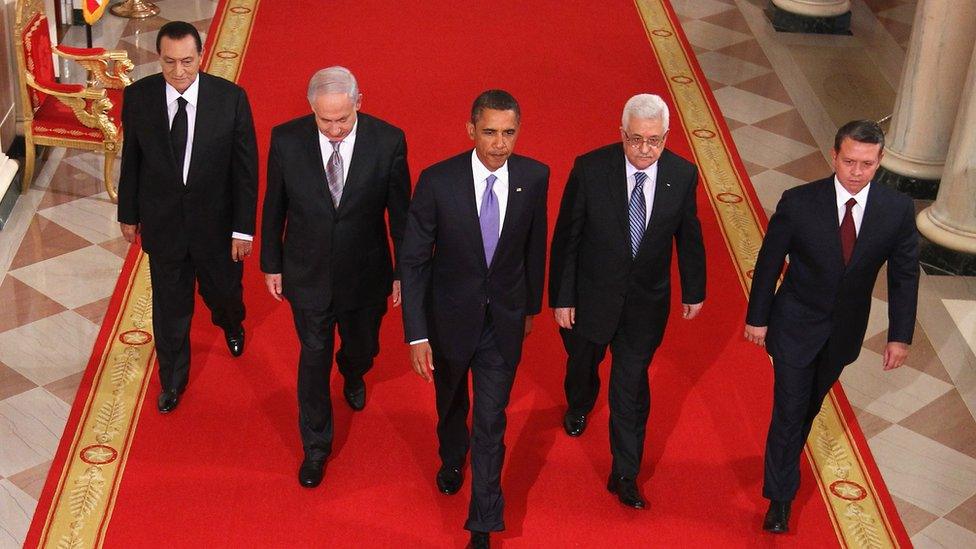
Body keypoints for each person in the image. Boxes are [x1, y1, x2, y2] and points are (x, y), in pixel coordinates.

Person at [744, 119, 920, 533]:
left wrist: (899, 336)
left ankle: (782, 464)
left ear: (880, 162)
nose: (857, 172)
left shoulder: (895, 211)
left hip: (842, 333)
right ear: (834, 155)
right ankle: (780, 499)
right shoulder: (799, 202)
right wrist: (757, 318)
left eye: (867, 164)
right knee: (789, 411)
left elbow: (904, 275)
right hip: (793, 324)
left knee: (807, 406)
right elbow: (769, 263)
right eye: (849, 161)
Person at [400, 90, 548, 549]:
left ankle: (482, 523)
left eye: (508, 133)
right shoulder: (437, 181)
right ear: (470, 131)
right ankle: (450, 456)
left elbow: (534, 246)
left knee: (490, 420)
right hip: (448, 322)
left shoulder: (534, 176)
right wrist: (416, 334)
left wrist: (528, 310)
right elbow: (414, 261)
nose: (500, 143)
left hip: (501, 324)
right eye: (490, 132)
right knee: (451, 405)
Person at [548, 93, 706, 510]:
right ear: (621, 134)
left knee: (631, 387)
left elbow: (688, 234)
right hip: (590, 298)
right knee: (583, 364)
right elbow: (568, 239)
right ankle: (579, 402)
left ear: (666, 137)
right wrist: (562, 297)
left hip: (645, 305)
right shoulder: (590, 169)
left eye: (653, 141)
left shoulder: (682, 174)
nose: (644, 150)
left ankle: (625, 473)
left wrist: (694, 288)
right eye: (635, 139)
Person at [260, 66, 410, 489]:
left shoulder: (388, 141)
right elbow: (275, 206)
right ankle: (316, 448)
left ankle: (354, 370)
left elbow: (402, 216)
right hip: (306, 274)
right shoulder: (286, 140)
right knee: (313, 358)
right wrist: (272, 262)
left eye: (342, 119)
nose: (335, 129)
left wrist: (404, 273)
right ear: (311, 109)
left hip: (366, 275)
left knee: (363, 347)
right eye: (325, 121)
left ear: (359, 103)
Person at [117, 21, 258, 414]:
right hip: (164, 226)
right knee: (170, 307)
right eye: (169, 62)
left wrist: (242, 230)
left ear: (201, 56)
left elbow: (246, 172)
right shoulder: (139, 97)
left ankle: (232, 324)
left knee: (224, 295)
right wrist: (128, 213)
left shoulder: (230, 99)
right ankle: (173, 381)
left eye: (187, 61)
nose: (178, 72)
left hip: (217, 227)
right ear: (158, 58)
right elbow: (133, 161)